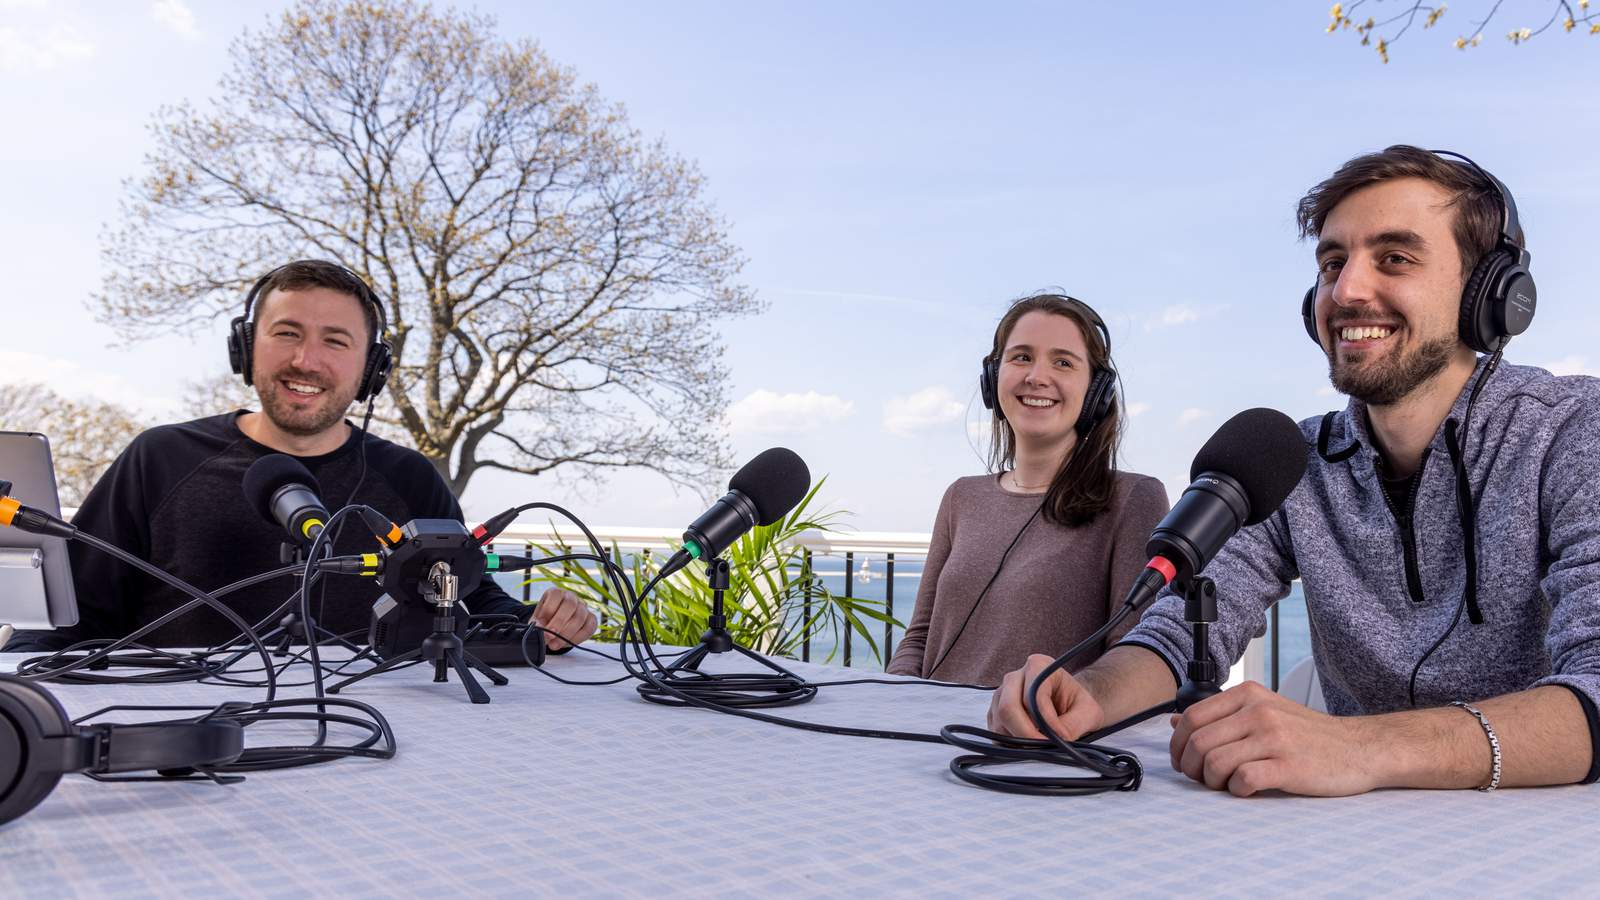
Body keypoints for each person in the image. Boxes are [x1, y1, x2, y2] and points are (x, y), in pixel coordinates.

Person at [988, 146, 1600, 796]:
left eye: (1394, 258)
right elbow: (1188, 625)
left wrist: (1361, 746)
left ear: (1490, 292)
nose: (1347, 291)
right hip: (1354, 843)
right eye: (1333, 263)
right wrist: (1089, 695)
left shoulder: (1571, 430)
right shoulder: (1293, 461)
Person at [4, 260, 598, 654]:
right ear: (246, 348)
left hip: (378, 740)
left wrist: (549, 622)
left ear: (371, 369)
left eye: (336, 341)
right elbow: (71, 617)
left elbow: (469, 600)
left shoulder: (409, 478)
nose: (306, 361)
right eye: (286, 333)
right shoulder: (159, 458)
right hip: (186, 730)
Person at [886, 293, 1169, 686]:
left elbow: (1135, 657)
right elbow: (918, 639)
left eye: (1063, 362)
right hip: (931, 733)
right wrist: (899, 699)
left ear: (1096, 392)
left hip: (1038, 741)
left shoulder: (1133, 500)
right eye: (1021, 357)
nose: (1037, 376)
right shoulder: (961, 497)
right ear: (993, 378)